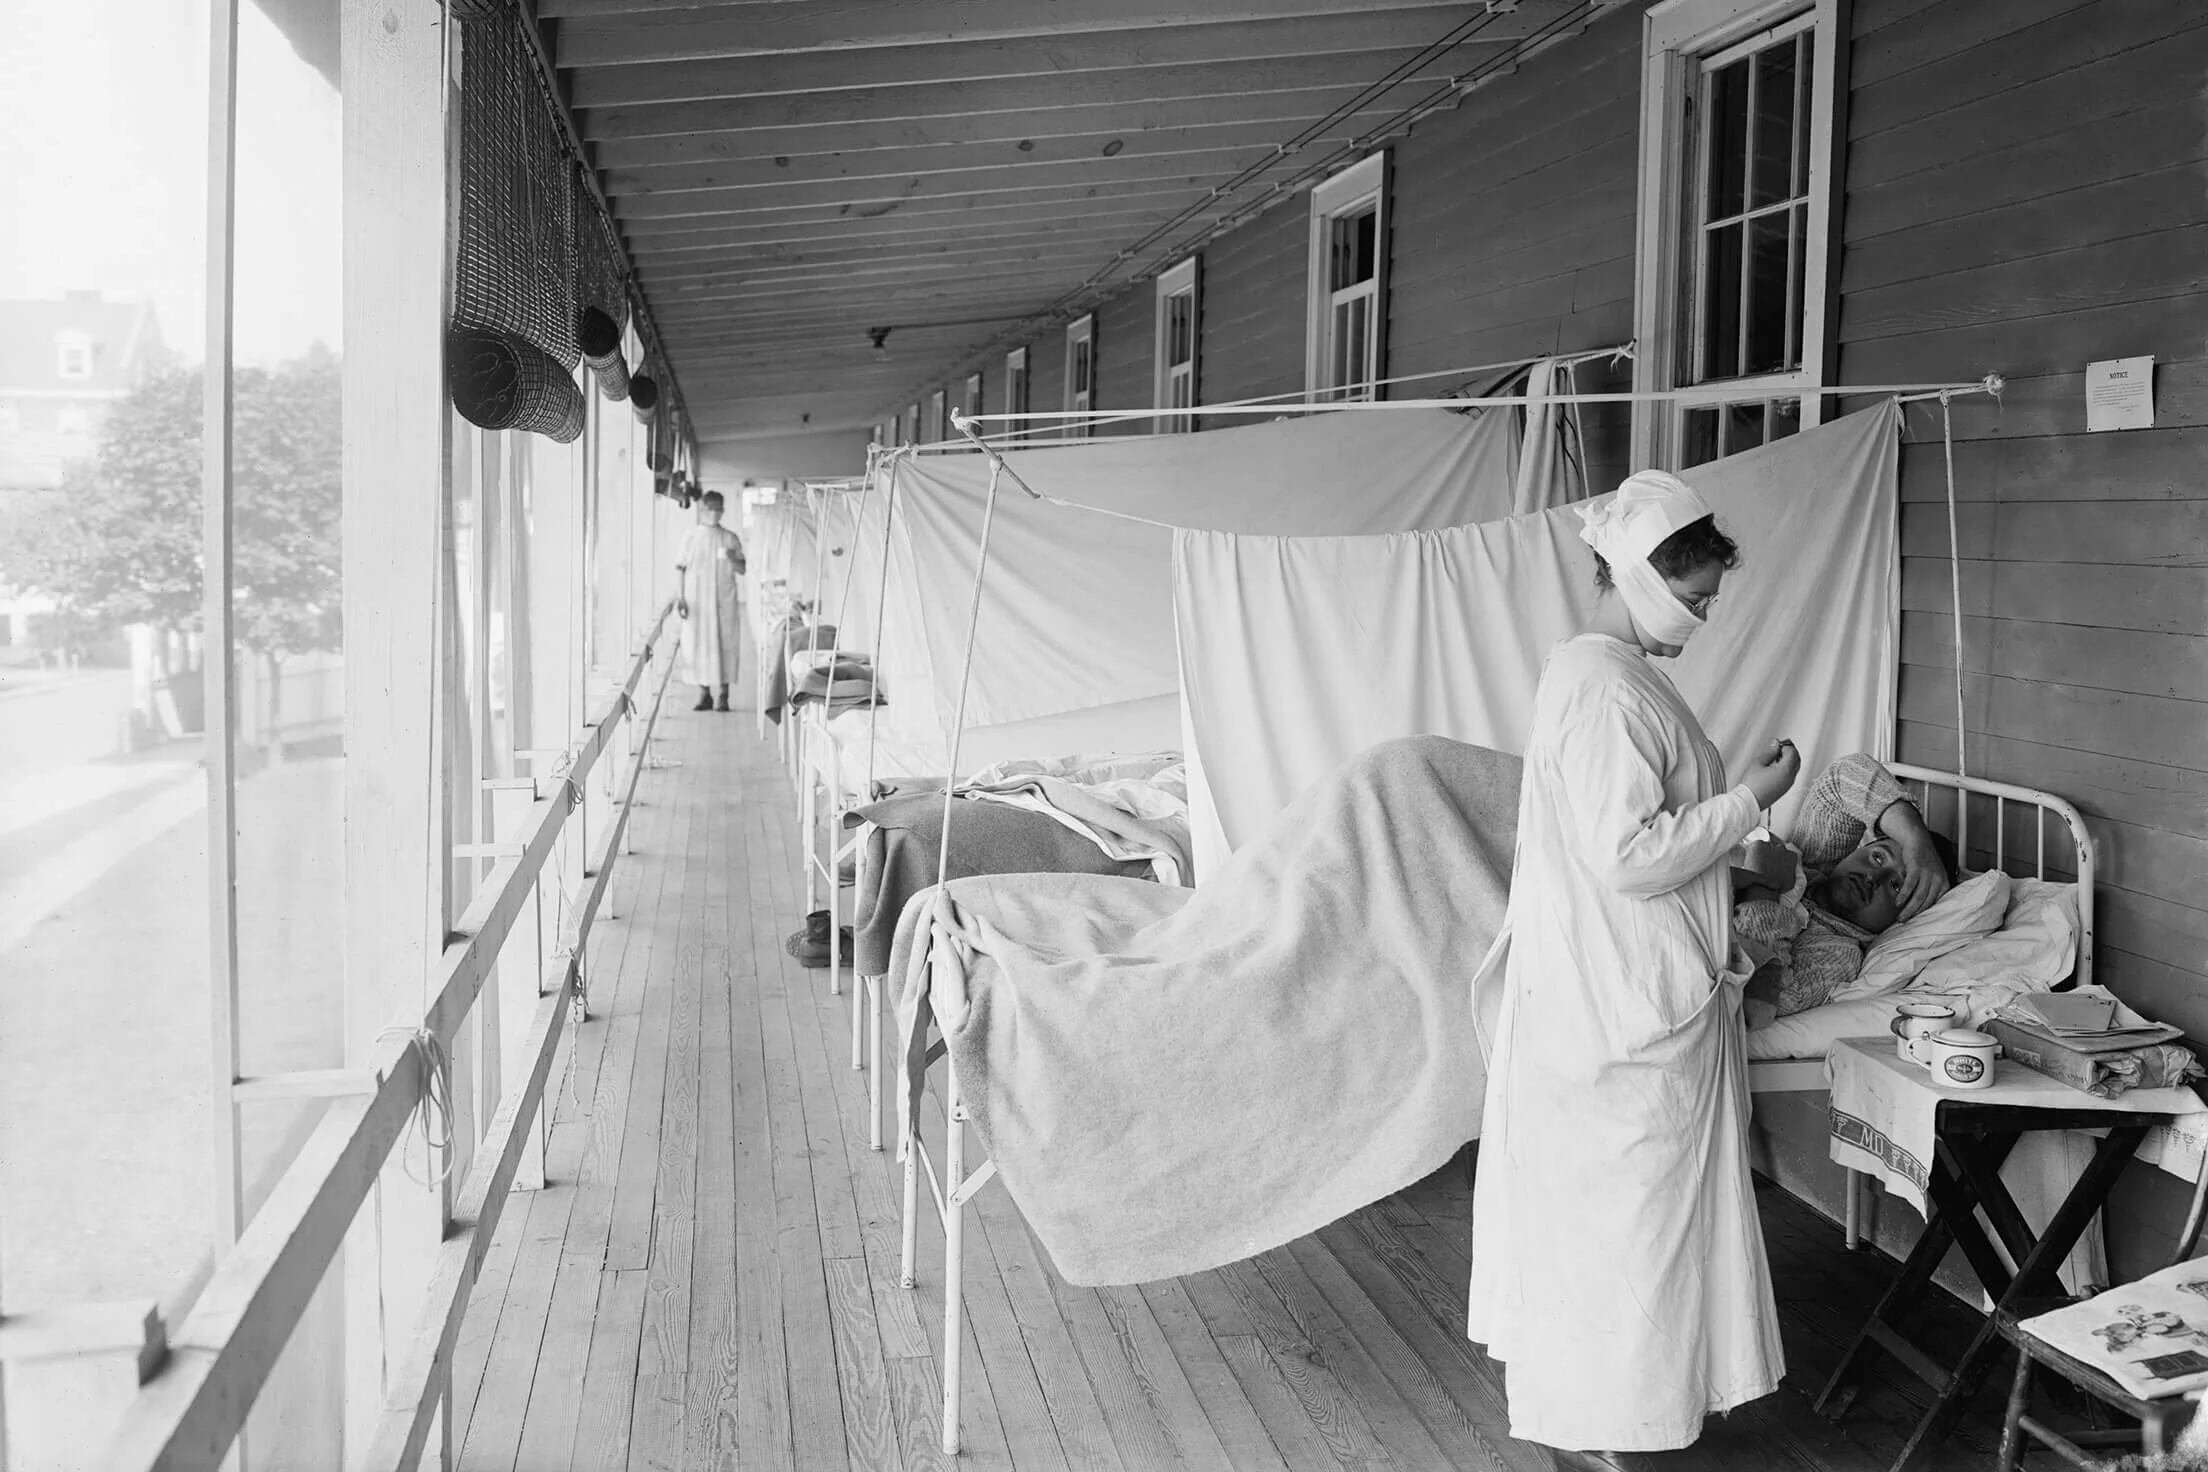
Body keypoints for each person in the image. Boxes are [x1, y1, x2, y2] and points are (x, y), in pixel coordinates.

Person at [1466, 469, 1802, 1469]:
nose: (1701, 619)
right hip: (1616, 1001)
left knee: (1620, 1219)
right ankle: (1606, 1422)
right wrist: (1750, 798)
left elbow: (1625, 837)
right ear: (1644, 580)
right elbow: (1626, 855)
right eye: (1694, 599)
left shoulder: (1605, 672)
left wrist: (1740, 858)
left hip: (1608, 986)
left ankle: (1611, 1413)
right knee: (1626, 1224)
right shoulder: (1607, 686)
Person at [1734, 752, 1954, 1027]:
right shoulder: (1813, 861)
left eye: (1897, 885)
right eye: (1878, 857)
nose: (1873, 878)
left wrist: (1761, 887)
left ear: (1909, 913)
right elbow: (1844, 775)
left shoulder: (1838, 953)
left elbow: (1762, 1000)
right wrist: (1915, 841)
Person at [674, 491, 745, 712]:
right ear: (703, 508)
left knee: (725, 643)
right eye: (710, 508)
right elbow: (680, 568)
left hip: (723, 601)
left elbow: (743, 569)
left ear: (723, 510)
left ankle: (724, 695)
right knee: (699, 644)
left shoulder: (730, 538)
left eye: (718, 508)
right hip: (697, 601)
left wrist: (733, 558)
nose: (715, 512)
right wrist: (681, 596)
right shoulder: (691, 536)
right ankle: (704, 694)